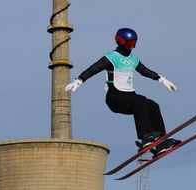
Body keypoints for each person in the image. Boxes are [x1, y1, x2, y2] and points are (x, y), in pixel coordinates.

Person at [65, 27, 179, 155]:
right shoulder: (111, 57)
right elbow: (93, 69)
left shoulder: (134, 59)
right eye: (129, 43)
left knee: (152, 105)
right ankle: (145, 137)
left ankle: (160, 140)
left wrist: (162, 80)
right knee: (140, 101)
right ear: (120, 41)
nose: (132, 46)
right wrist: (79, 80)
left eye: (134, 43)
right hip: (115, 98)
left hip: (130, 98)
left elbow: (145, 71)